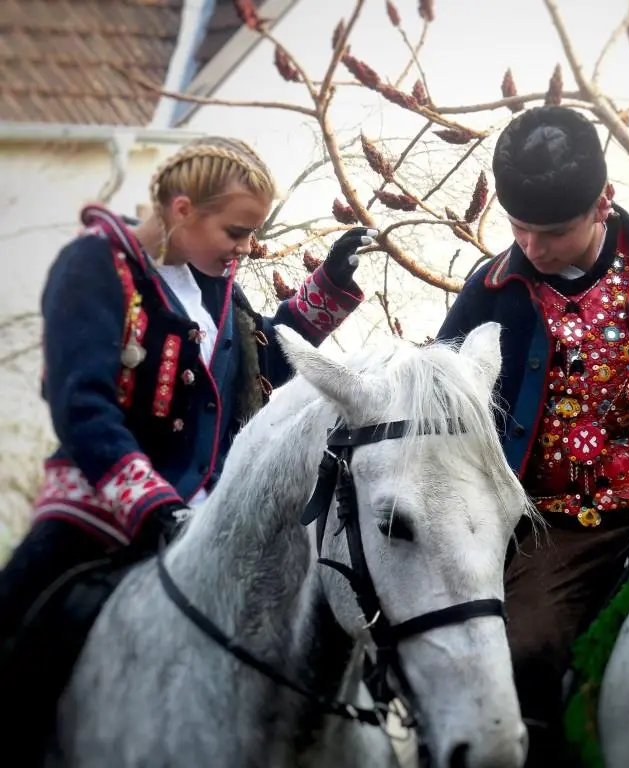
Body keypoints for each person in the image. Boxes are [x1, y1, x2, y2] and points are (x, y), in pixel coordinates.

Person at [0, 136, 375, 758]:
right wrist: (152, 505)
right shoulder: (93, 266)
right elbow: (82, 404)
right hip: (98, 512)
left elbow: (262, 361)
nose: (246, 248)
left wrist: (329, 285)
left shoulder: (216, 284)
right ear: (182, 210)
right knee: (13, 630)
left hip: (209, 517)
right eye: (236, 231)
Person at [435, 106, 629, 765]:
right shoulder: (490, 289)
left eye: (552, 232)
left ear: (603, 202)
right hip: (558, 526)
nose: (531, 246)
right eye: (517, 227)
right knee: (521, 653)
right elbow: (440, 404)